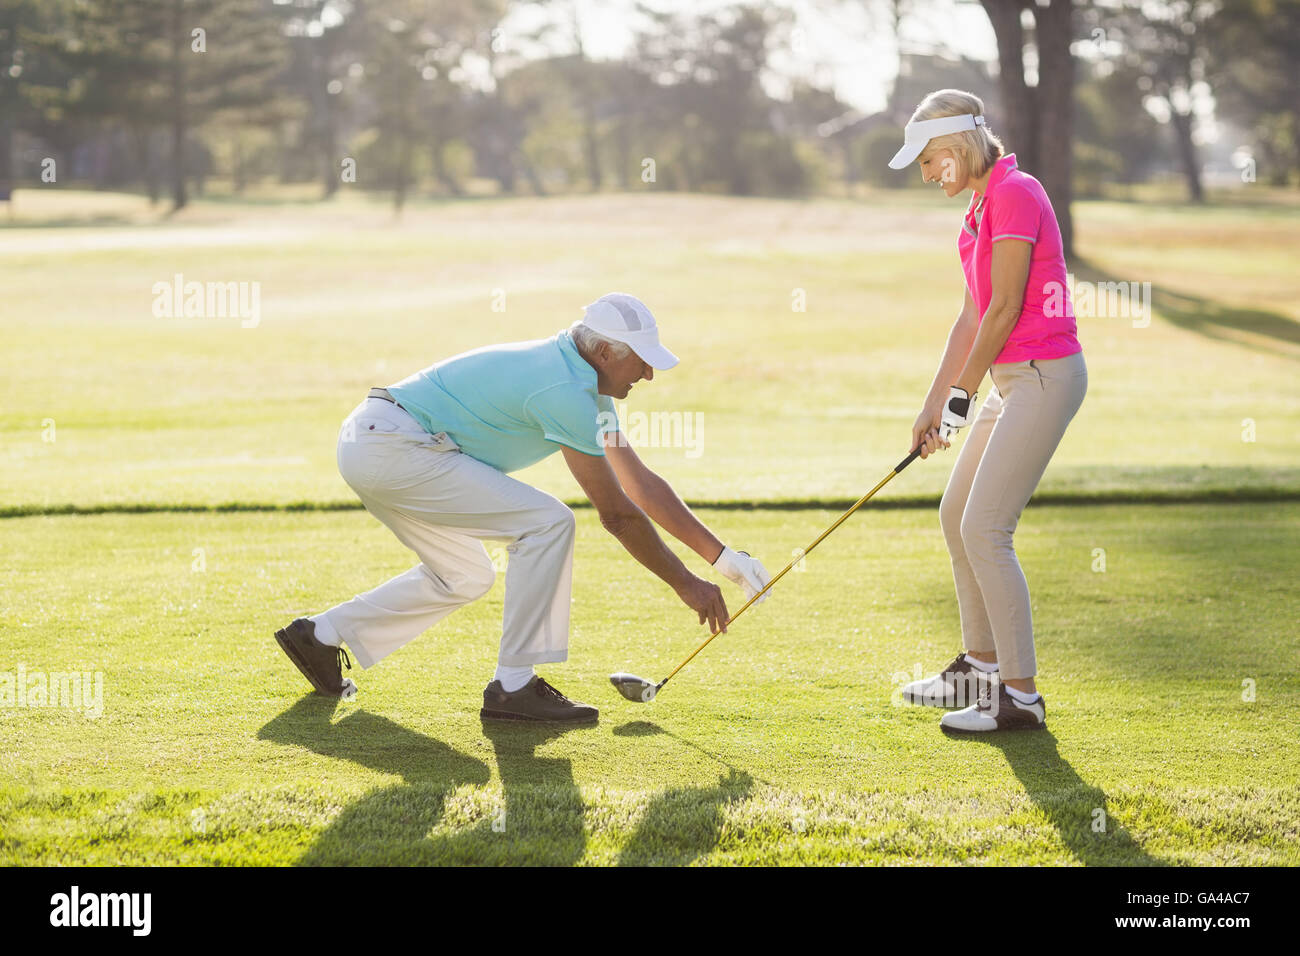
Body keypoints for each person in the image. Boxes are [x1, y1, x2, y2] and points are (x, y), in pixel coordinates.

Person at [273, 293, 772, 723]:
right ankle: (513, 687)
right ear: (602, 351)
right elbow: (618, 515)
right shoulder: (566, 391)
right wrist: (686, 584)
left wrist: (725, 560)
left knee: (465, 576)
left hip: (378, 442)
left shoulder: (581, 385)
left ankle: (320, 635)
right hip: (395, 447)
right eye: (640, 361)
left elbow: (641, 485)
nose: (647, 373)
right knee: (548, 522)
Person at [887, 90, 1087, 733]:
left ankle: (1020, 697)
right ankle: (978, 669)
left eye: (928, 161)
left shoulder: (1017, 192)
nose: (925, 175)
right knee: (956, 515)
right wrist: (934, 403)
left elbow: (1005, 308)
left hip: (1043, 377)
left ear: (956, 148)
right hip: (1010, 381)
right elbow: (972, 314)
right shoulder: (977, 209)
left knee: (986, 530)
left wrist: (961, 397)